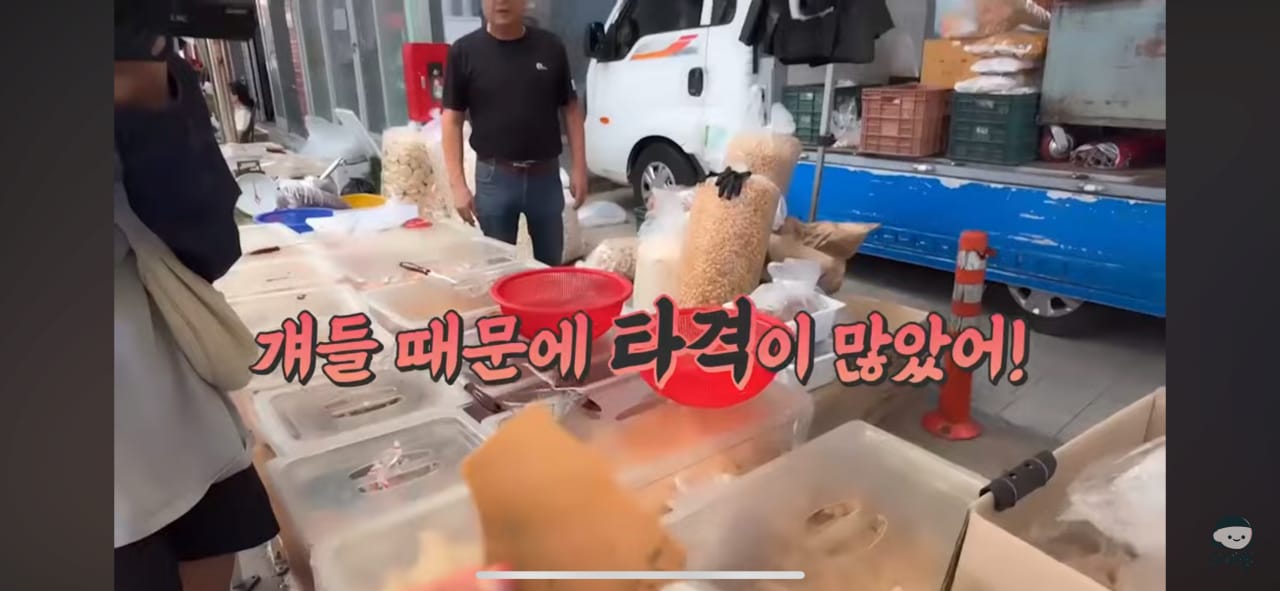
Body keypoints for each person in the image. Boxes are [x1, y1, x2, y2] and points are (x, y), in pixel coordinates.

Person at [114, 12, 279, 591]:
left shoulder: (147, 64)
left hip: (172, 389)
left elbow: (211, 246)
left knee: (211, 537)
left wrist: (148, 103)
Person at [441, 0, 588, 267]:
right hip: (495, 179)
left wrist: (579, 167)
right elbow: (451, 121)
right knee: (499, 269)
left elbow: (571, 109)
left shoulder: (550, 47)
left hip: (545, 179)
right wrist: (458, 185)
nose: (501, 2)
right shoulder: (463, 52)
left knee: (550, 269)